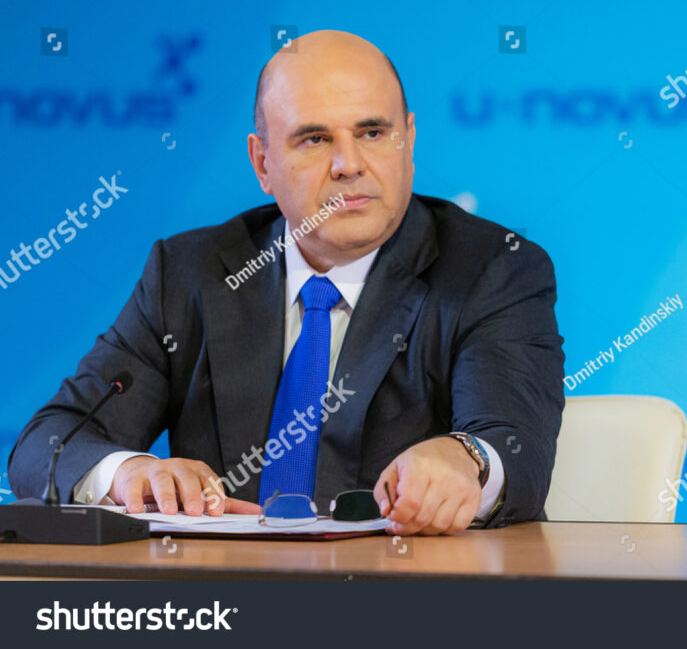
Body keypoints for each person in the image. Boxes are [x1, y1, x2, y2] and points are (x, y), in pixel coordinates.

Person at [8, 30, 565, 535]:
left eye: (373, 132)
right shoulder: (188, 274)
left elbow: (514, 447)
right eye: (315, 139)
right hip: (218, 596)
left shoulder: (493, 271)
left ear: (409, 141)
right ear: (262, 163)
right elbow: (46, 445)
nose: (349, 164)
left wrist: (466, 459)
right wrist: (127, 472)